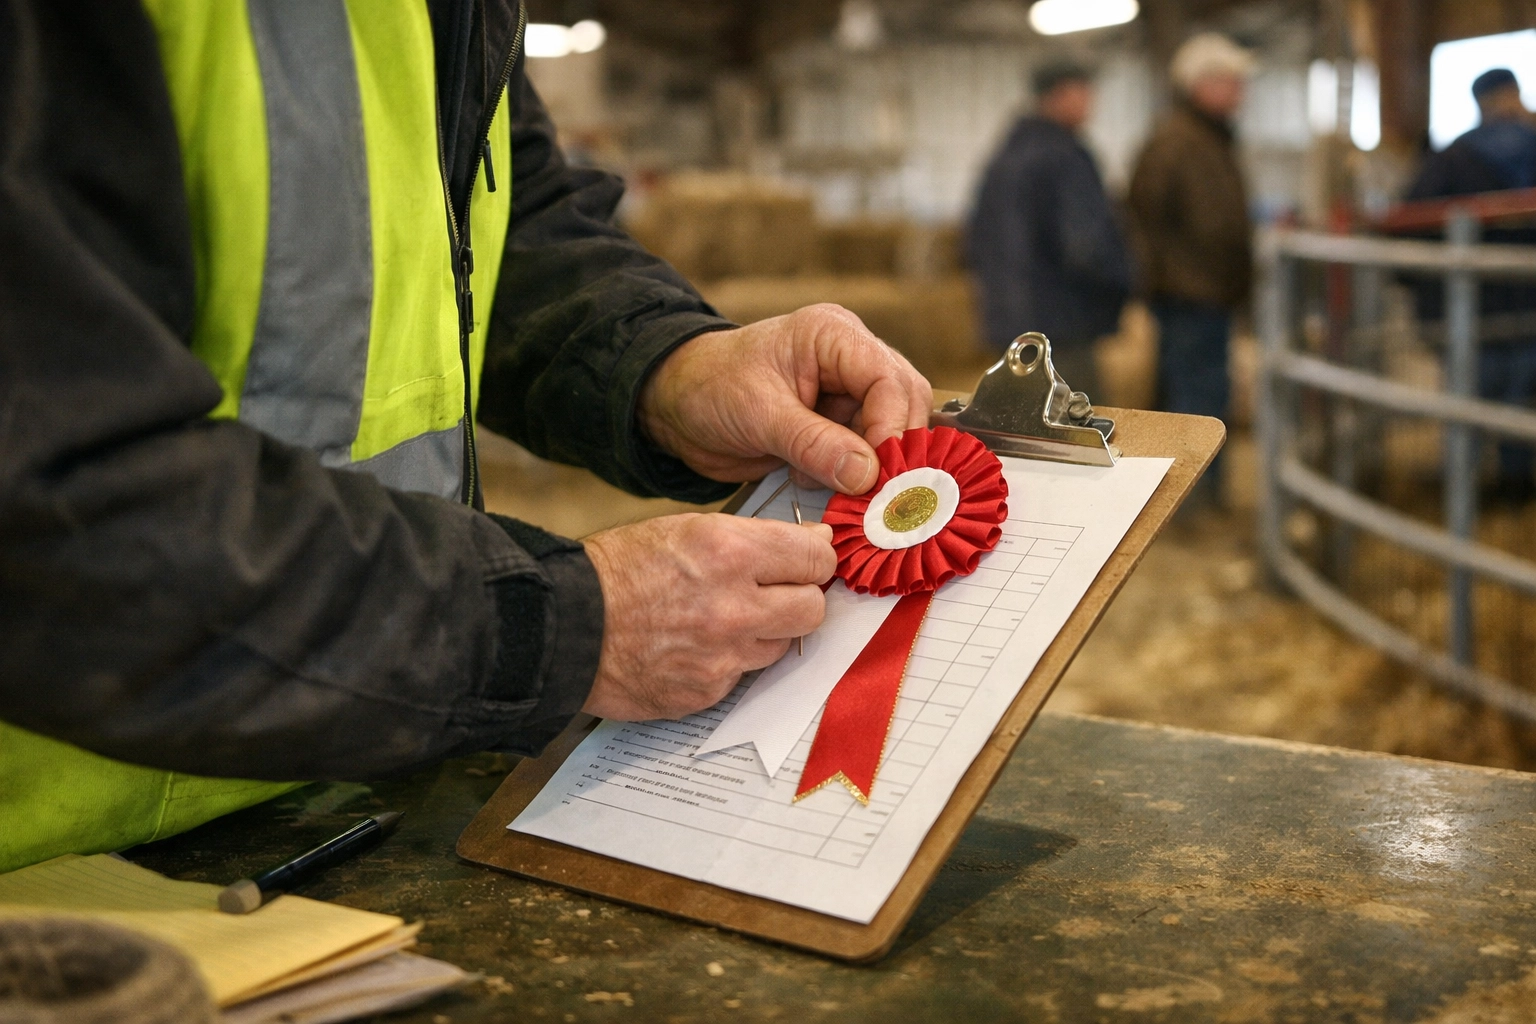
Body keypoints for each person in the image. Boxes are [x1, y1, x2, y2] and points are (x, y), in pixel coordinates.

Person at [0, 2, 931, 872]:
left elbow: (486, 211)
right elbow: (49, 494)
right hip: (52, 866)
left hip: (352, 779)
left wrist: (666, 363)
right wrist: (557, 627)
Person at [1128, 32, 1255, 498]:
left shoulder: (1205, 139)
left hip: (1204, 291)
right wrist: (1167, 279)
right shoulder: (1178, 142)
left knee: (1199, 395)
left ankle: (1191, 497)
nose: (1241, 91)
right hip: (1190, 294)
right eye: (1231, 81)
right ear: (1202, 85)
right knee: (1196, 401)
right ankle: (1192, 500)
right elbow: (1143, 216)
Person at [965, 60, 1134, 399]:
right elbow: (1086, 244)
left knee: (1023, 425)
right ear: (1058, 96)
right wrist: (1125, 282)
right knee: (1077, 430)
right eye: (1082, 91)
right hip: (1063, 324)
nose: (1090, 101)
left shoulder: (1005, 156)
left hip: (1011, 327)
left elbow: (972, 240)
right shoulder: (1064, 157)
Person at [1405, 68, 1536, 502]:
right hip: (1529, 310)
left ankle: (1462, 497)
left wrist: (1421, 288)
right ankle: (1516, 490)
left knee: (1468, 404)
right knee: (1522, 402)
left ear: (1480, 102)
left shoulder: (1454, 158)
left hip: (1471, 311)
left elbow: (1407, 225)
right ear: (1514, 95)